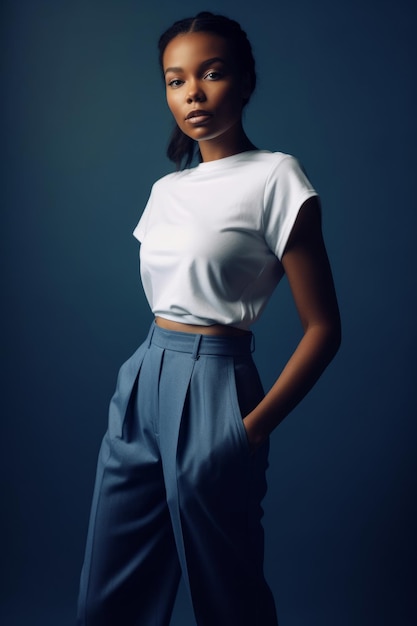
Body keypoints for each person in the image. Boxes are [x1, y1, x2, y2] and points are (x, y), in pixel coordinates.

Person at [77, 11, 341, 626]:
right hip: (143, 380)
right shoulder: (167, 190)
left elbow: (325, 328)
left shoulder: (278, 176)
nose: (192, 92)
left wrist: (249, 431)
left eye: (211, 74)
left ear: (244, 82)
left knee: (228, 595)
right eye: (175, 80)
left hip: (217, 386)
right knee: (106, 599)